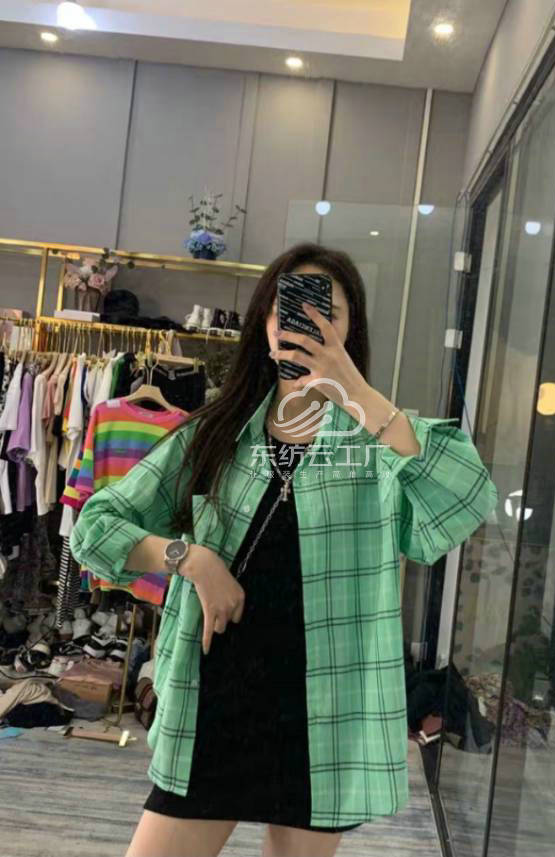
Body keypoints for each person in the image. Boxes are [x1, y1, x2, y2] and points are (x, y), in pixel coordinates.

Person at [70, 242, 498, 857]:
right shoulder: (215, 433)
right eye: (286, 308)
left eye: (328, 313)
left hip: (323, 722)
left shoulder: (378, 444)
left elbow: (466, 497)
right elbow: (96, 525)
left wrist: (352, 387)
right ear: (264, 324)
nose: (304, 324)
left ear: (352, 329)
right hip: (216, 704)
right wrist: (190, 560)